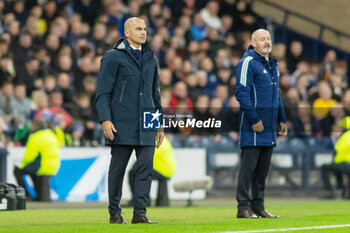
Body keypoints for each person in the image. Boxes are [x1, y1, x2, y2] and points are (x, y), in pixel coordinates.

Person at [95, 17, 163, 224]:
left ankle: (140, 213)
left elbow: (155, 93)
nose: (143, 32)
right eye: (138, 29)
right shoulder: (113, 58)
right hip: (121, 123)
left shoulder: (151, 57)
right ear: (127, 33)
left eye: (144, 28)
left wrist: (158, 124)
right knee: (118, 169)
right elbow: (102, 93)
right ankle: (114, 212)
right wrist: (105, 120)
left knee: (145, 170)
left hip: (147, 124)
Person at [235, 29, 287, 218]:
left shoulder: (273, 65)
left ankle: (258, 206)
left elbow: (277, 95)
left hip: (270, 126)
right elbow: (241, 93)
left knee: (262, 170)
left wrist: (282, 118)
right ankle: (243, 207)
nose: (267, 42)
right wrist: (254, 119)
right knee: (248, 169)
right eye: (262, 39)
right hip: (253, 126)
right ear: (253, 43)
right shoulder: (247, 63)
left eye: (268, 38)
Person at [13, 112, 64, 201]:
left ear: (36, 126)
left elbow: (29, 157)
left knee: (17, 171)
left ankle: (26, 195)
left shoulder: (35, 136)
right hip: (53, 166)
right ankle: (37, 196)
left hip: (42, 166)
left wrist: (22, 165)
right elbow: (61, 143)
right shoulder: (51, 134)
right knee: (32, 171)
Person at [128, 136, 176, 207]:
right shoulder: (164, 139)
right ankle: (146, 200)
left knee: (133, 172)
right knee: (137, 169)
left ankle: (140, 200)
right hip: (167, 170)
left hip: (161, 170)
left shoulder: (155, 140)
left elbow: (147, 155)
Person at [321, 116, 350, 199]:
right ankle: (341, 191)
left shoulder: (344, 137)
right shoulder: (345, 136)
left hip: (344, 163)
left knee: (325, 167)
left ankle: (329, 191)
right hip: (344, 164)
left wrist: (335, 138)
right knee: (338, 169)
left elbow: (337, 149)